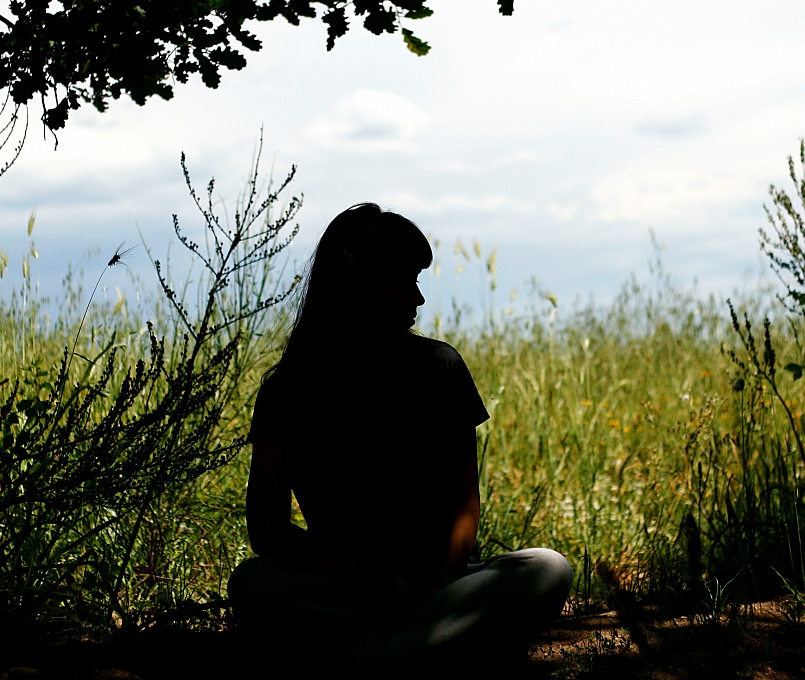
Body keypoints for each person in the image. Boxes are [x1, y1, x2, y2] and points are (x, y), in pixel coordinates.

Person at [228, 203, 572, 672]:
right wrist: (376, 584)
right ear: (358, 284)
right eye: (404, 280)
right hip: (343, 586)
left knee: (548, 567)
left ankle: (367, 657)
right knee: (252, 581)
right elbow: (267, 529)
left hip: (439, 585)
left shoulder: (440, 368)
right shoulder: (287, 390)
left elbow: (464, 507)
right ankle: (428, 645)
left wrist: (436, 582)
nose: (418, 298)